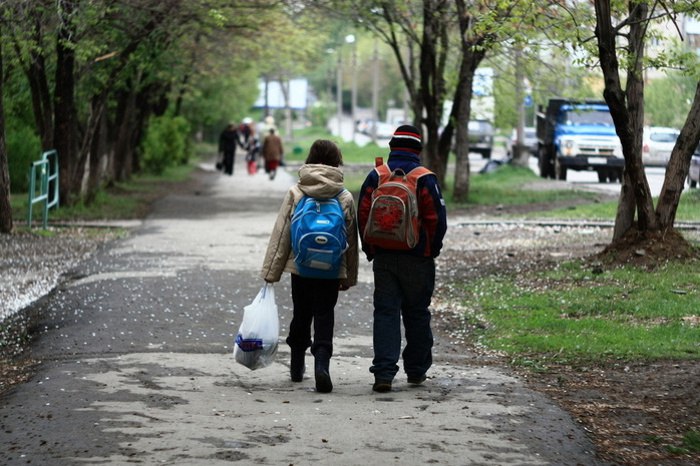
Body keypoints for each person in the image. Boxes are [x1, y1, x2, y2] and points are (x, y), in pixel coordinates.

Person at [260, 139, 359, 393]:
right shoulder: (344, 196)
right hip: (330, 268)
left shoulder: (296, 192)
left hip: (300, 267)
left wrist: (272, 271)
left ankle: (296, 363)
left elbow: (282, 233)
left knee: (301, 311)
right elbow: (350, 238)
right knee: (325, 314)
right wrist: (348, 276)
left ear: (310, 159)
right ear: (337, 162)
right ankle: (322, 365)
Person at [357, 124, 447, 393]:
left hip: (384, 257)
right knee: (417, 313)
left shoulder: (378, 175)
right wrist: (430, 251)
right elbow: (437, 221)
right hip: (417, 259)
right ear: (418, 150)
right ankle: (416, 371)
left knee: (385, 313)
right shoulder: (425, 178)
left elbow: (364, 215)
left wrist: (371, 249)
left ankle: (383, 374)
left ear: (392, 147)